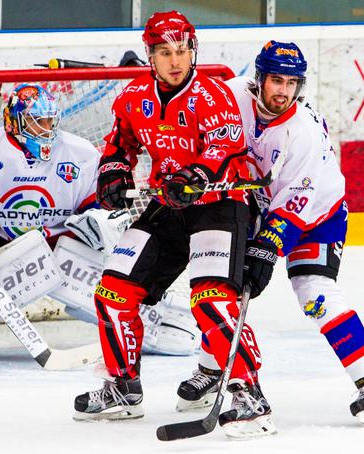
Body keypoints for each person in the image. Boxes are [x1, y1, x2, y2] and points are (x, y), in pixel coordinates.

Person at [0, 83, 198, 363]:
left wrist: (96, 223)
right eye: (37, 121)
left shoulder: (79, 151)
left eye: (50, 121)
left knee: (107, 288)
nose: (46, 129)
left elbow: (97, 201)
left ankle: (157, 319)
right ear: (15, 122)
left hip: (58, 247)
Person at [72, 10, 277, 438]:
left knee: (210, 298)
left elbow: (225, 147)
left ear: (193, 50)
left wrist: (194, 176)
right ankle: (122, 388)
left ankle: (247, 392)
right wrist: (113, 172)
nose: (175, 60)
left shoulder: (213, 94)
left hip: (220, 203)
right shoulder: (132, 97)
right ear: (150, 54)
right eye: (165, 52)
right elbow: (119, 143)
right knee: (113, 291)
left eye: (182, 50)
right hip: (169, 205)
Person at [176, 40, 364, 426]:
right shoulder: (233, 97)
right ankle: (212, 370)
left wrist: (266, 250)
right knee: (220, 287)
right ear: (258, 79)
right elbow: (201, 112)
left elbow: (297, 201)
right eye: (275, 80)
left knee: (314, 291)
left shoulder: (303, 132)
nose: (283, 90)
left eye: (291, 82)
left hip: (317, 215)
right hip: (255, 204)